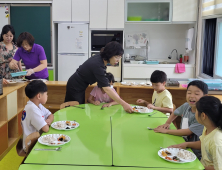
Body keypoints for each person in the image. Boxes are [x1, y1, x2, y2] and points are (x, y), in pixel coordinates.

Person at [65, 41, 133, 113]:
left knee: (78, 108)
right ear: (110, 54)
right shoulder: (98, 65)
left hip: (79, 85)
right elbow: (107, 89)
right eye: (116, 57)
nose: (118, 60)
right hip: (75, 86)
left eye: (120, 57)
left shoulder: (101, 59)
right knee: (74, 110)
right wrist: (124, 104)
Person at [154, 80, 208, 159]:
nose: (191, 96)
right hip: (182, 143)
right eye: (189, 93)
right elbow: (175, 112)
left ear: (205, 97)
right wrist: (167, 123)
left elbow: (188, 131)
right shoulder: (186, 106)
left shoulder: (202, 115)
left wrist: (167, 131)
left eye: (196, 94)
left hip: (195, 151)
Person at [168, 96, 222, 170]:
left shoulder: (217, 141)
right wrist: (186, 144)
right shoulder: (207, 127)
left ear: (203, 116)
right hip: (201, 164)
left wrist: (198, 167)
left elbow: (219, 168)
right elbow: (204, 143)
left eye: (196, 110)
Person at [21, 80, 54, 151]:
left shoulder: (37, 105)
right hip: (31, 145)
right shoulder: (33, 109)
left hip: (36, 139)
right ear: (39, 96)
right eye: (46, 94)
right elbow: (46, 129)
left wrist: (49, 120)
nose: (47, 96)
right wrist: (46, 124)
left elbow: (51, 115)